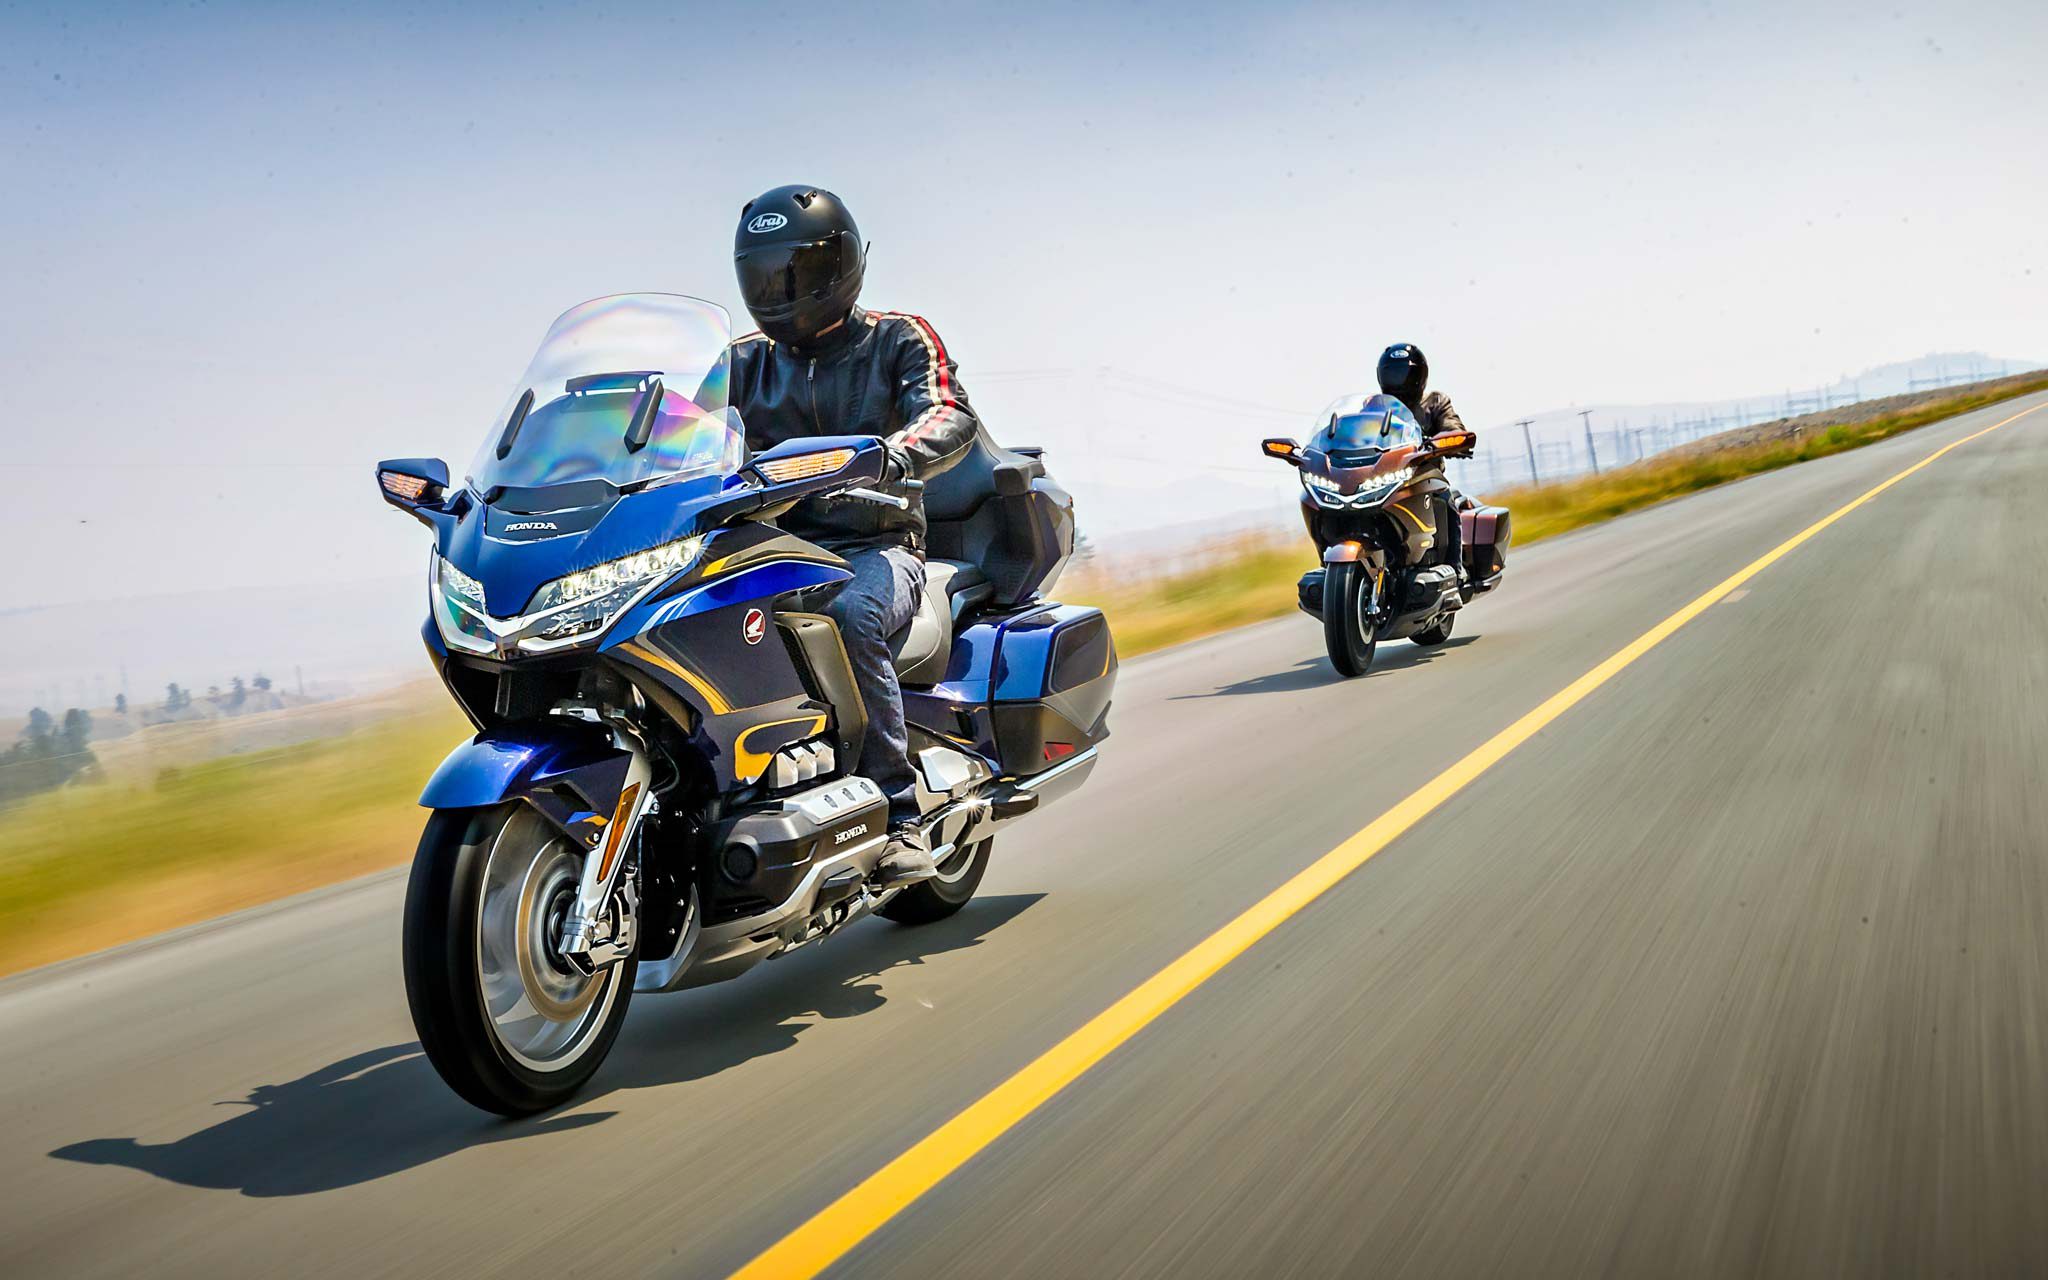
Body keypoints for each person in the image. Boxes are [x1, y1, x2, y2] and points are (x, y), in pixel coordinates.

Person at [728, 184, 977, 885]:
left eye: (795, 271)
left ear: (839, 263)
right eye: (763, 276)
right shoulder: (738, 364)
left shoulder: (898, 338)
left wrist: (897, 455)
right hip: (769, 552)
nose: (780, 290)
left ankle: (900, 816)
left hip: (876, 545)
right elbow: (672, 433)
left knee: (846, 618)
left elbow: (948, 412)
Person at [1376, 342, 1467, 577]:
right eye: (1393, 374)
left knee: (1446, 501)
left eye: (1404, 374)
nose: (1399, 381)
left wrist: (1449, 439)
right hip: (1385, 482)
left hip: (1425, 478)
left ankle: (1455, 570)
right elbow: (1355, 435)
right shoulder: (1376, 409)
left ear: (1419, 376)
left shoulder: (1435, 402)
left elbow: (1453, 427)